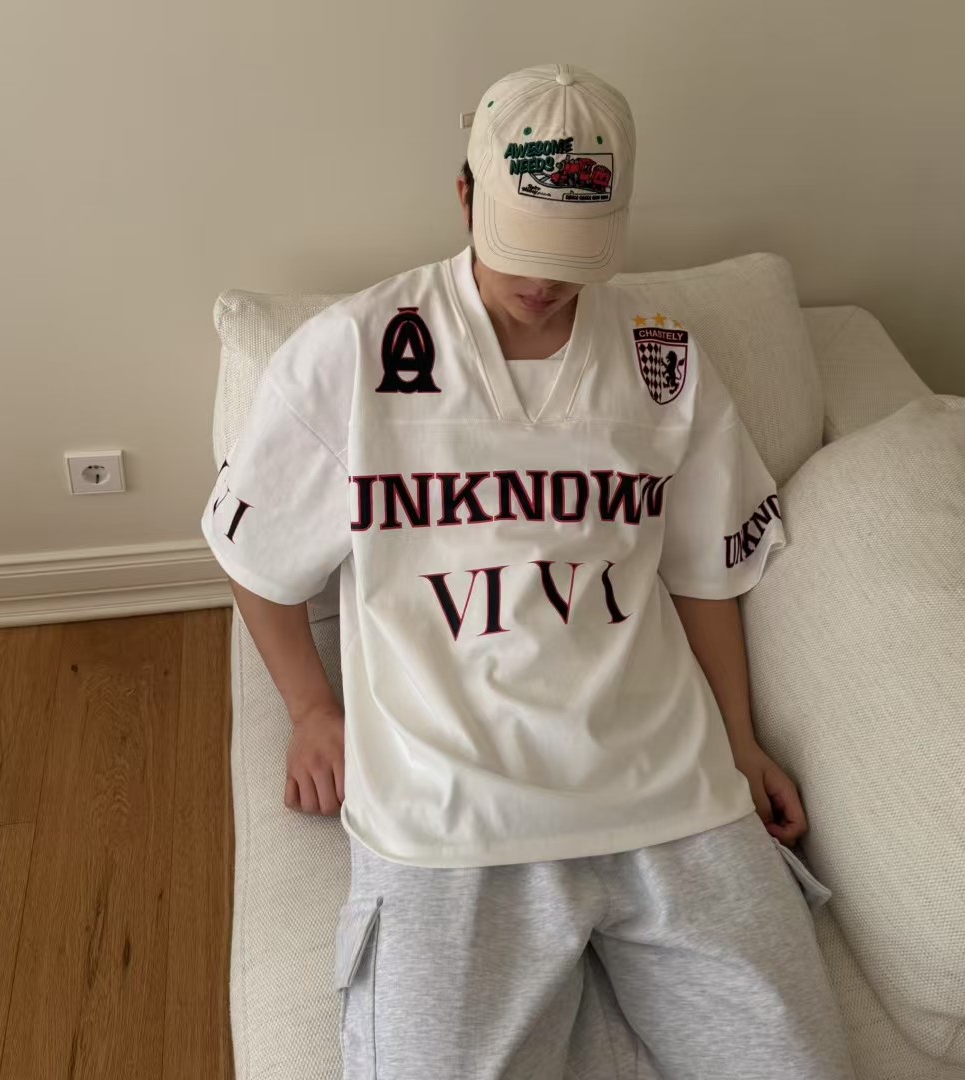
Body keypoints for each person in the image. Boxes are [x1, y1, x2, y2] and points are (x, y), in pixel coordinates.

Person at [204, 63, 853, 1080]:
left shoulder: (662, 358)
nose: (544, 284)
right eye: (523, 246)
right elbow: (255, 552)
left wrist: (739, 739)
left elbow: (704, 571)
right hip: (448, 817)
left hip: (670, 798)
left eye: (571, 254)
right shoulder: (356, 352)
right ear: (465, 194)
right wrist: (311, 709)